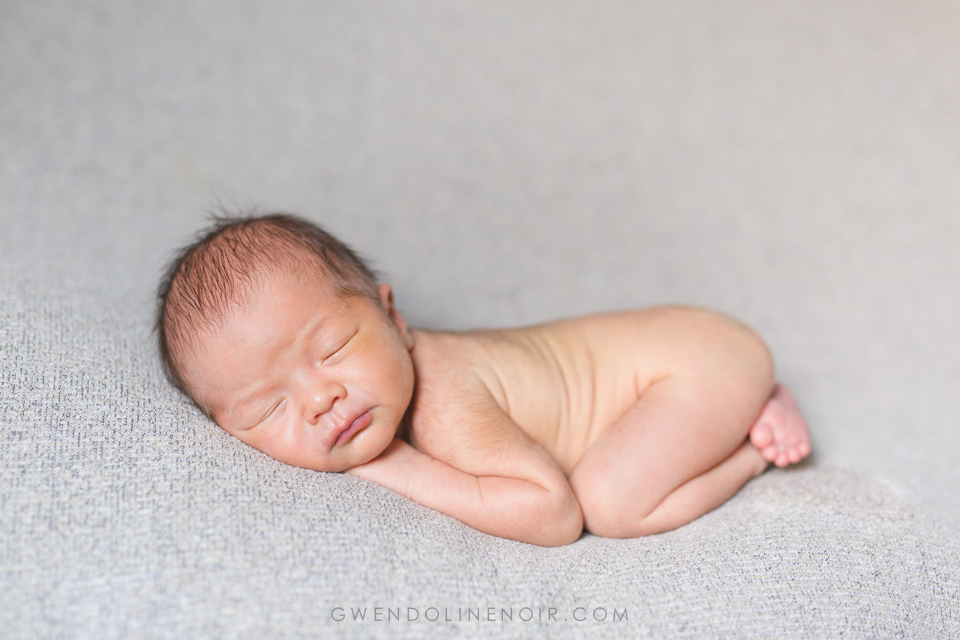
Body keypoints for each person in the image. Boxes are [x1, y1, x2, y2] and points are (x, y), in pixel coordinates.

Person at [156, 213, 811, 547]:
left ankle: (754, 444)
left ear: (393, 316)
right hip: (681, 353)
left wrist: (401, 468)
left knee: (611, 504)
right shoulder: (379, 385)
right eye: (268, 410)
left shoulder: (443, 398)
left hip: (695, 362)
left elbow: (552, 513)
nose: (319, 398)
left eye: (333, 348)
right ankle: (745, 406)